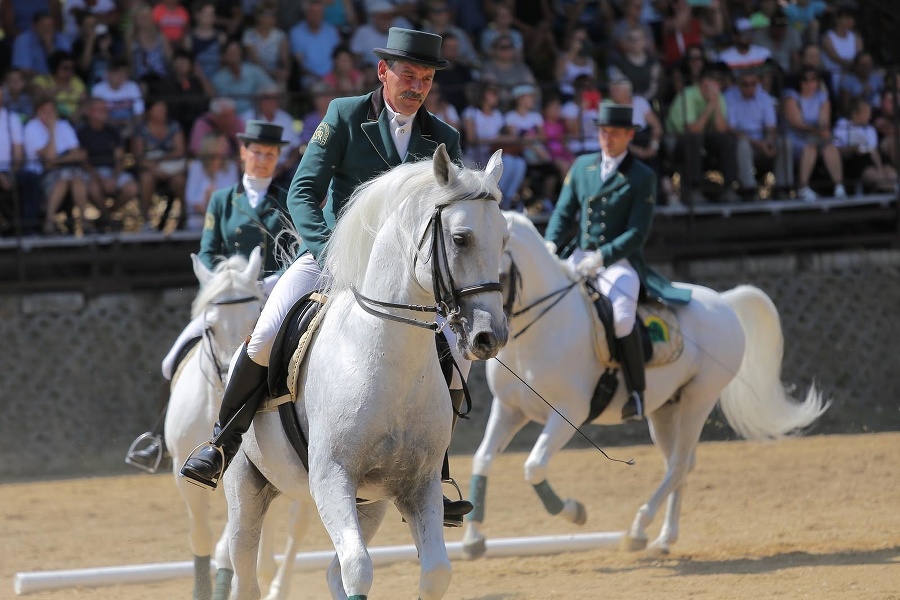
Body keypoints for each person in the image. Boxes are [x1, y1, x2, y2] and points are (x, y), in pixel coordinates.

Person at [179, 28, 475, 528]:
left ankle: (435, 470)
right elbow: (302, 191)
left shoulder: (443, 139)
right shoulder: (343, 114)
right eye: (409, 75)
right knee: (268, 332)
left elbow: (451, 215)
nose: (418, 86)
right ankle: (222, 442)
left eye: (426, 78)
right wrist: (329, 250)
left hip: (406, 276)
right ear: (383, 72)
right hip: (334, 254)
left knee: (456, 354)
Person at [128, 120, 291, 470]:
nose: (263, 160)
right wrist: (218, 283)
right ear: (244, 152)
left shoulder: (286, 200)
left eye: (270, 154)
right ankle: (157, 437)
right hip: (227, 298)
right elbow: (206, 251)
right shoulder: (221, 200)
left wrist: (273, 282)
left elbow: (296, 250)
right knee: (171, 360)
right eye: (257, 152)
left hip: (269, 296)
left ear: (278, 157)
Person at [543, 102, 692, 422]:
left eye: (612, 133)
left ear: (628, 135)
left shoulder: (642, 176)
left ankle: (636, 393)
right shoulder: (582, 166)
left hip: (617, 262)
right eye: (602, 131)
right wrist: (551, 243)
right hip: (578, 254)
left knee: (623, 317)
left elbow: (638, 231)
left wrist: (602, 257)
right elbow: (563, 212)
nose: (606, 138)